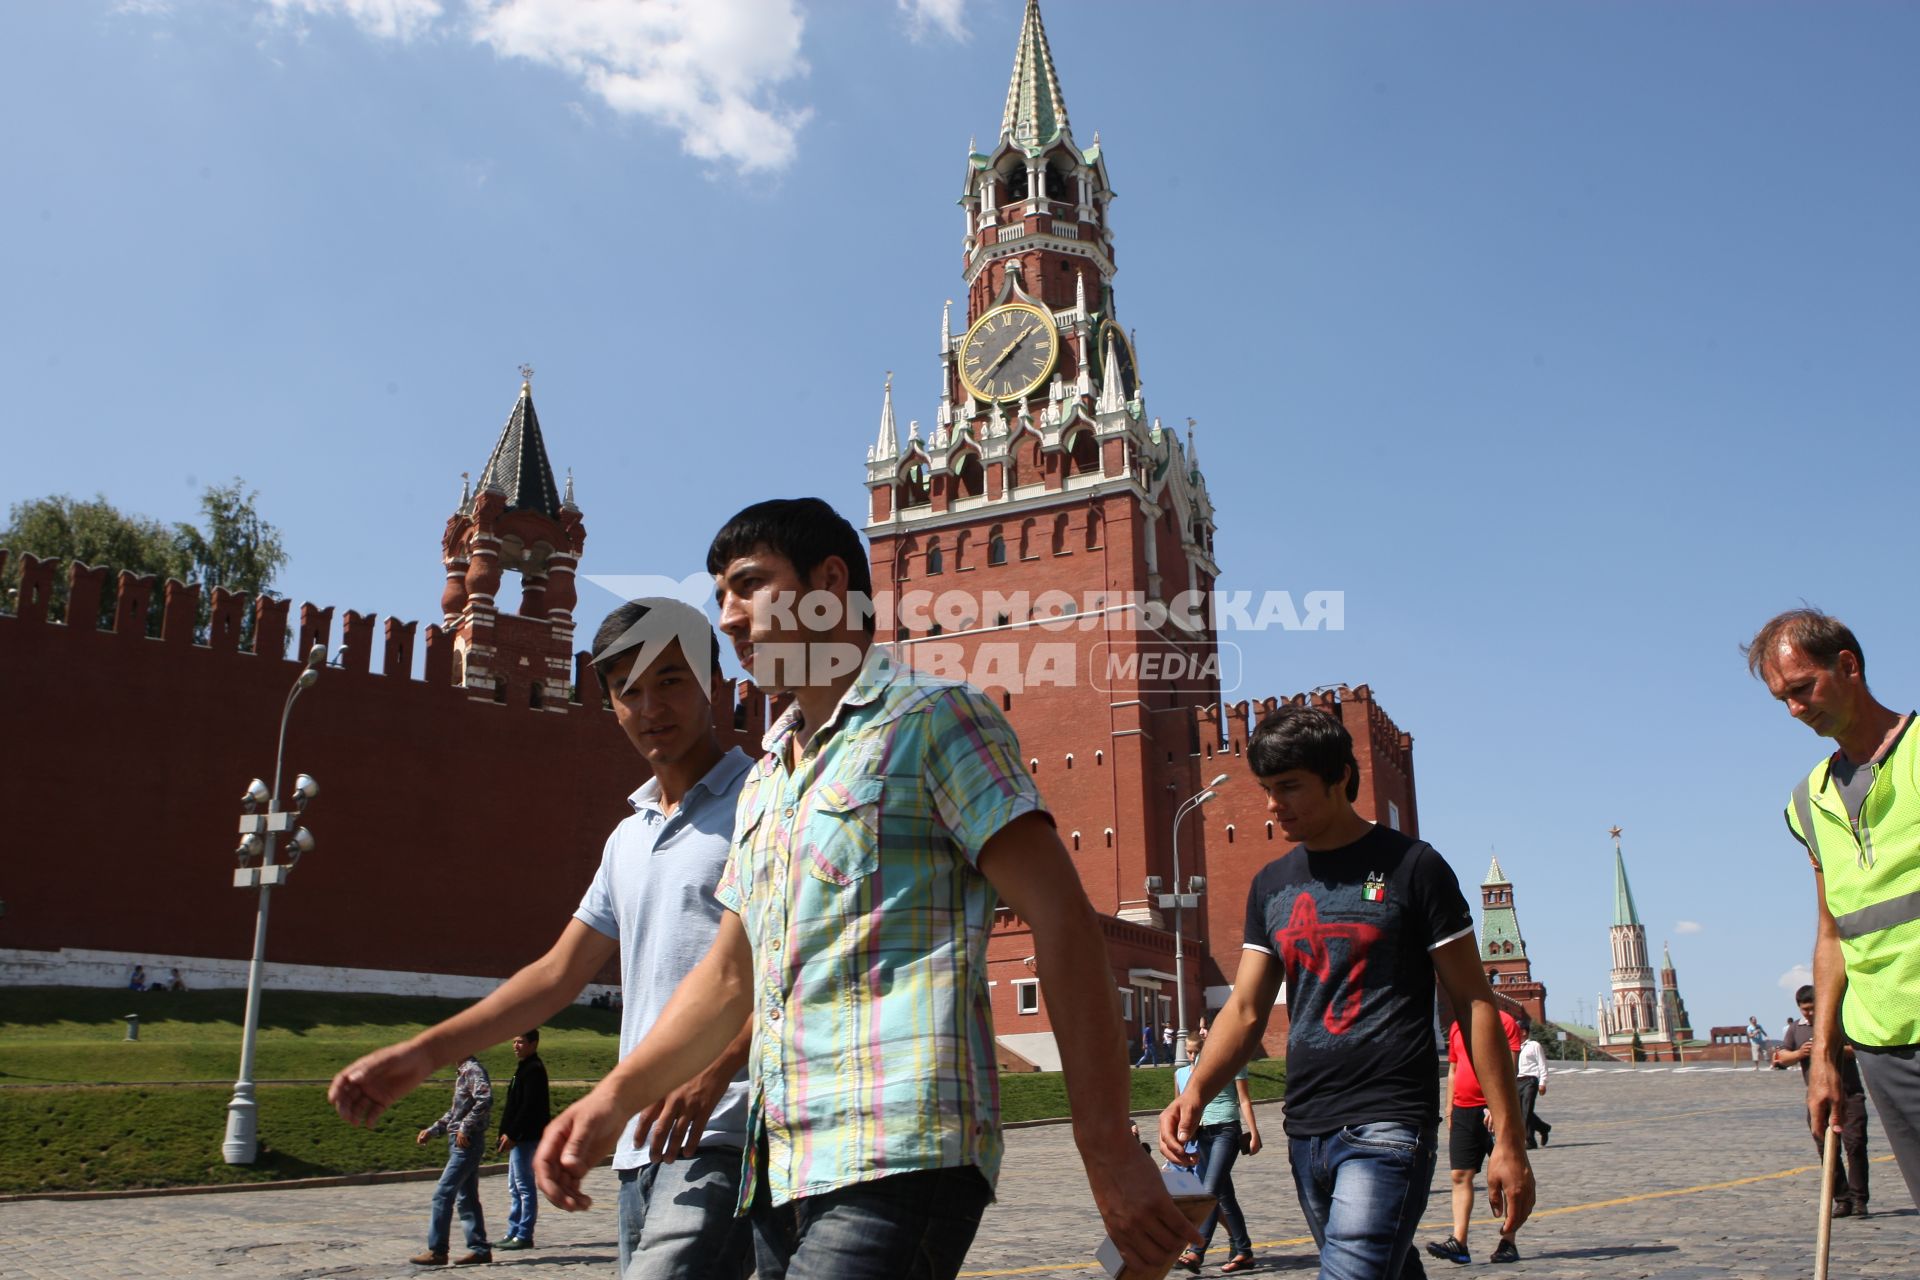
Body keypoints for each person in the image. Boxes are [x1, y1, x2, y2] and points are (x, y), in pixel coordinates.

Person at [535, 497, 1195, 1280]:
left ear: (830, 583)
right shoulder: (767, 781)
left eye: (750, 586)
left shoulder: (933, 720)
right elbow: (727, 979)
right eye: (720, 598)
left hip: (901, 1149)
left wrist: (1107, 1150)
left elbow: (1062, 921)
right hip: (780, 1165)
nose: (731, 617)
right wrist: (613, 1099)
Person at [331, 598, 761, 1278]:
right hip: (635, 1149)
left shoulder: (765, 799)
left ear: (716, 684)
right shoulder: (629, 836)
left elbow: (801, 967)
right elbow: (559, 973)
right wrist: (424, 1052)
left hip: (729, 1133)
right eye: (628, 690)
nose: (650, 707)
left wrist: (717, 1070)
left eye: (672, 680)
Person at [1163, 705, 1534, 1280]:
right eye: (1266, 788)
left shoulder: (1414, 866)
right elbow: (1245, 1009)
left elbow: (1474, 1001)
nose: (1271, 805)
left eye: (1289, 787)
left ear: (1340, 777)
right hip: (1306, 1127)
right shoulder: (1271, 886)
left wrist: (1509, 1137)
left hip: (1388, 1122)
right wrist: (1196, 1092)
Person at [1747, 609, 1920, 1208]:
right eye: (1782, 700)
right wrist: (1823, 1060)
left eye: (1802, 689)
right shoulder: (1807, 800)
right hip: (1881, 1043)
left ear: (1848, 666)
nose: (1795, 710)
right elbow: (1831, 934)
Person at [1427, 1007, 1527, 1265]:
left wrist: (1500, 1106)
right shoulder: (1457, 1026)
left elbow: (1510, 1068)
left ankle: (1508, 1241)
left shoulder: (1504, 1023)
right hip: (1463, 1110)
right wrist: (1449, 1109)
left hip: (1494, 1110)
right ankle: (1459, 1242)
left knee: (1506, 1177)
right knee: (1460, 1175)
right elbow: (1453, 1069)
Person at [1774, 984, 1869, 1217]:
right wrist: (1799, 1054)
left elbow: (1856, 1049)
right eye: (1804, 1009)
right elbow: (1780, 1058)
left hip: (1849, 1095)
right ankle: (1842, 1199)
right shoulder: (1796, 1030)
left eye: (1813, 1008)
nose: (1809, 1013)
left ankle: (1859, 1200)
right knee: (1827, 1150)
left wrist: (1827, 1048)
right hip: (1818, 1101)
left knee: (1855, 1145)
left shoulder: (1839, 1021)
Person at [1172, 1043, 1258, 1274]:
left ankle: (1196, 1252)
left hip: (1226, 1131)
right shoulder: (1198, 1066)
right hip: (1203, 1134)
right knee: (1224, 1195)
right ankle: (1244, 1251)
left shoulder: (1235, 1062)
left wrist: (1254, 1133)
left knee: (1209, 1191)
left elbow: (1244, 1099)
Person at [412, 1054, 493, 1267]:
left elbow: (485, 1098)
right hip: (461, 1141)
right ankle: (480, 1248)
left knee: (443, 1194)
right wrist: (433, 1130)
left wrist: (465, 1127)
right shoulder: (463, 1071)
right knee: (466, 1197)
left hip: (467, 1143)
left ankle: (438, 1251)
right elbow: (457, 1112)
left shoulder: (472, 1069)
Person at [495, 1029, 551, 1250]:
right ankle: (513, 1230)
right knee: (514, 1186)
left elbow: (528, 1108)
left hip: (526, 1138)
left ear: (533, 1043)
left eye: (520, 1041)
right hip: (518, 1137)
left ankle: (524, 1233)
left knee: (524, 1186)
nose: (515, 1046)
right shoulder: (524, 1068)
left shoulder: (534, 1070)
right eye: (514, 1041)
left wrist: (514, 1133)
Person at [1514, 1016, 1550, 1150]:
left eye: (1516, 1029)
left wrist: (1543, 1082)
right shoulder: (1513, 1046)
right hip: (1517, 1081)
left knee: (1526, 1110)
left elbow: (1542, 1064)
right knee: (1519, 1111)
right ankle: (1544, 1128)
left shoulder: (1534, 1046)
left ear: (1524, 1032)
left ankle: (1529, 1140)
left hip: (1530, 1081)